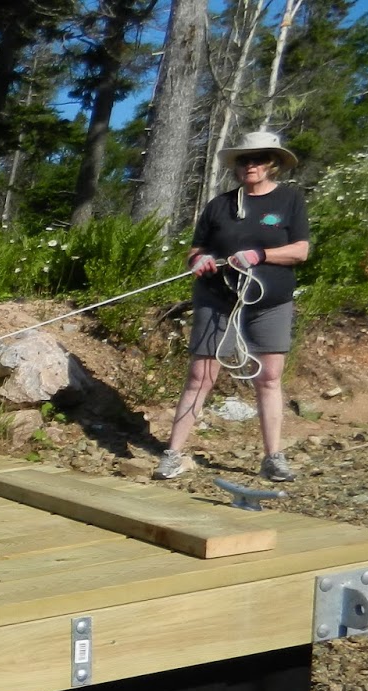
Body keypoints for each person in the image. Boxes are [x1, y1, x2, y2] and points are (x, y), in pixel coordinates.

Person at [154, 130, 311, 482]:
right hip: (217, 299)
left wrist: (261, 254)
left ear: (273, 163)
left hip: (270, 303)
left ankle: (273, 457)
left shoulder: (289, 201)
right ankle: (173, 454)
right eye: (244, 160)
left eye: (257, 159)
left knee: (268, 378)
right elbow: (195, 250)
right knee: (200, 376)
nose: (250, 165)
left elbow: (300, 251)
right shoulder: (219, 205)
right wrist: (201, 260)